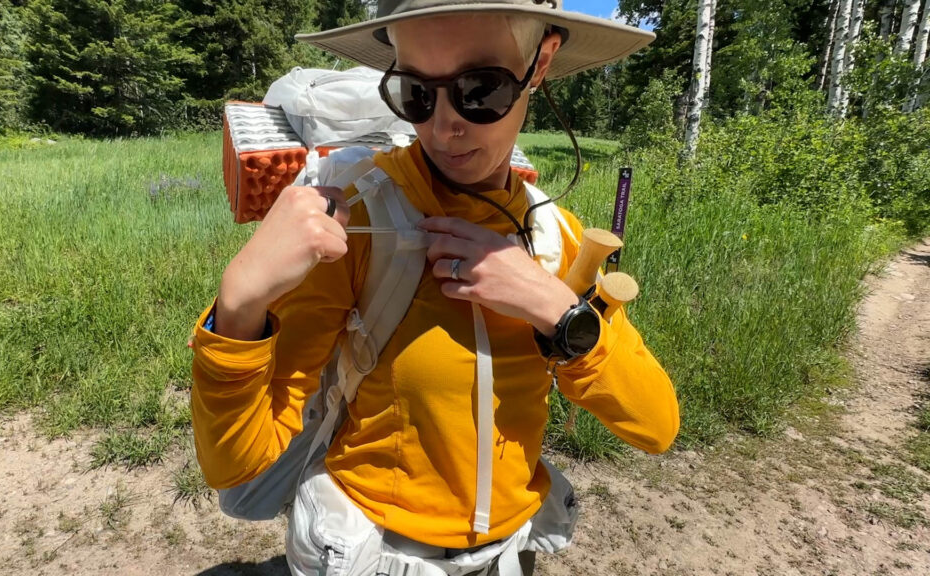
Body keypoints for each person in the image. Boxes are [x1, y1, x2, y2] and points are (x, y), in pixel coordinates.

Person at [190, 1, 680, 574]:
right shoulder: (358, 220)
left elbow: (656, 425)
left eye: (481, 88)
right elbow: (235, 466)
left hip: (507, 553)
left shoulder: (556, 239)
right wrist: (240, 303)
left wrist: (555, 309)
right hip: (370, 550)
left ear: (540, 63)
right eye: (416, 92)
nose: (443, 125)